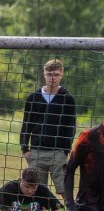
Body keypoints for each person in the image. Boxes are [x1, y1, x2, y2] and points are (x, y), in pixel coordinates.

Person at [20, 59, 77, 196]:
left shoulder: (68, 98)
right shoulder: (33, 98)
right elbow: (26, 124)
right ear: (44, 74)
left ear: (62, 74)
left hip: (58, 152)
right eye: (49, 74)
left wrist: (65, 150)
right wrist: (25, 149)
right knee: (37, 191)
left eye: (56, 74)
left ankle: (70, 210)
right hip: (36, 152)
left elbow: (70, 126)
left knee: (64, 189)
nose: (52, 78)